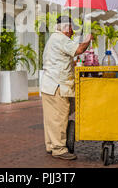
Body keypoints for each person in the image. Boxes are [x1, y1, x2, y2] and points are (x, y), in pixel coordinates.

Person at [40, 15, 93, 160]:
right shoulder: (60, 39)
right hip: (57, 86)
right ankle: (59, 149)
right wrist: (88, 38)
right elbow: (80, 49)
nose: (72, 31)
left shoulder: (54, 39)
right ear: (66, 27)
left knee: (52, 118)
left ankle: (51, 145)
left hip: (49, 85)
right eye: (71, 28)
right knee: (59, 117)